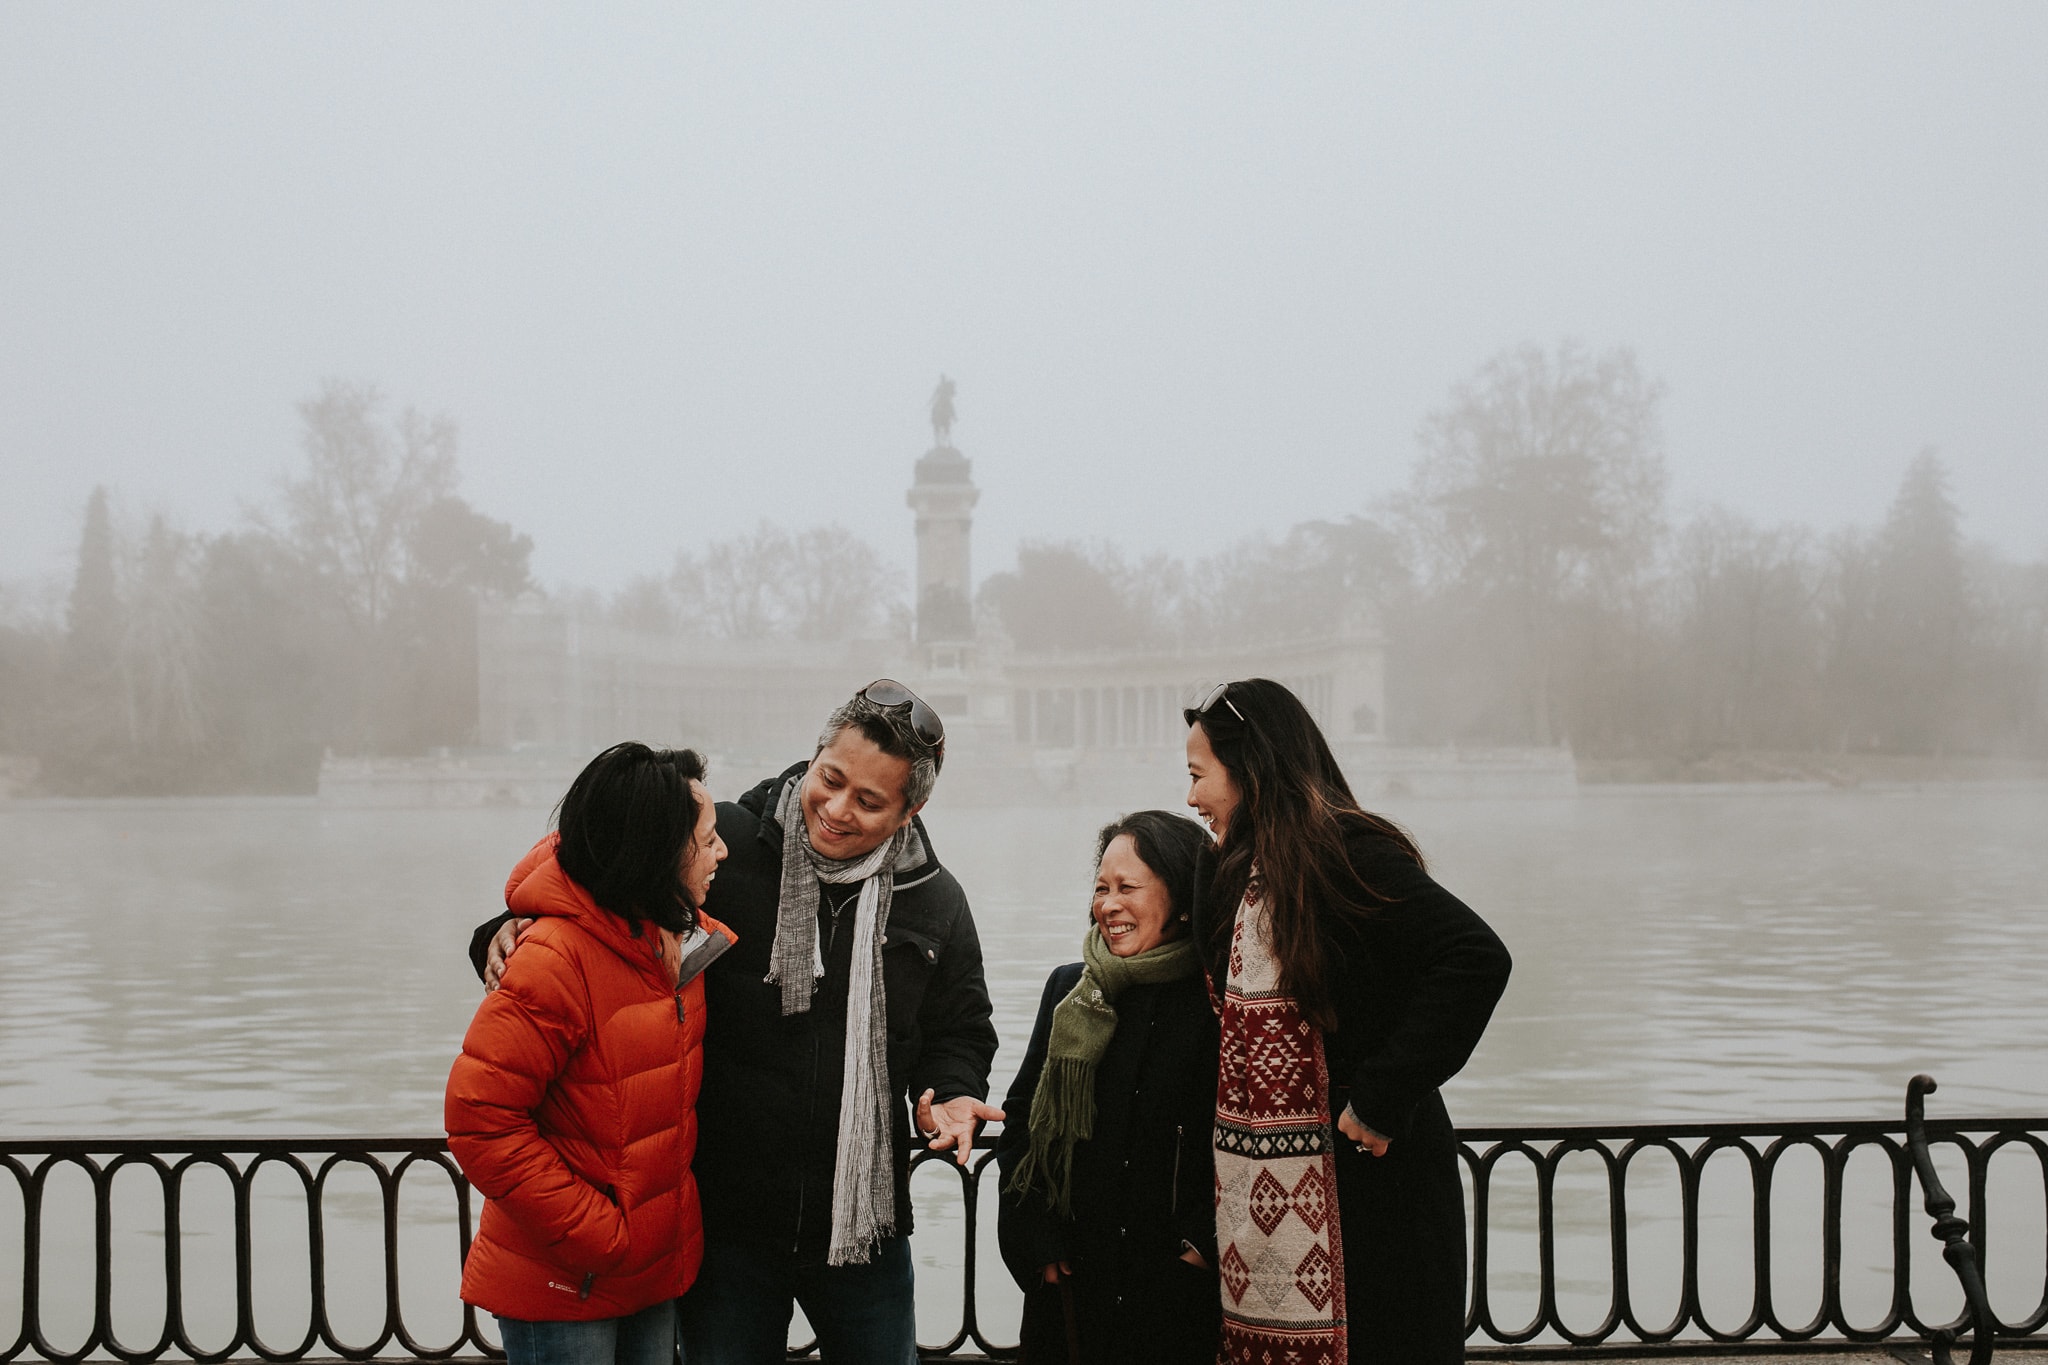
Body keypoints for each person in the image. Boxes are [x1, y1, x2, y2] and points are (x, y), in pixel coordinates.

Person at [475, 680, 1001, 1365]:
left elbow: (961, 1026)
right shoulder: (723, 843)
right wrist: (506, 926)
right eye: (830, 778)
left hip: (863, 1229)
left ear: (912, 808)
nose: (837, 810)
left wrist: (954, 1090)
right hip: (726, 1226)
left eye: (869, 801)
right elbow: (598, 874)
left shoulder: (933, 898)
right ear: (813, 756)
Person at [1184, 679, 1511, 1365]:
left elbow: (1474, 957)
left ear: (1250, 769)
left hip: (1378, 1195)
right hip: (1265, 1216)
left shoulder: (1347, 854)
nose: (1190, 798)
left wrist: (1382, 1096)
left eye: (1198, 775)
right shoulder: (1230, 875)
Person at [446, 742, 736, 1365]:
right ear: (658, 851)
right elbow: (479, 1118)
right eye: (708, 839)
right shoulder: (555, 958)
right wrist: (602, 1236)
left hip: (651, 1268)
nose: (723, 852)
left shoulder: (674, 939)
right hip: (566, 1279)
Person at [995, 810, 1223, 1365]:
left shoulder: (1220, 1000)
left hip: (1176, 1290)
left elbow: (1243, 1134)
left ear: (1185, 899)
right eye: (1101, 888)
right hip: (1074, 1283)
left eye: (1128, 888)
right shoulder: (1071, 989)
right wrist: (1038, 1243)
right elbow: (1023, 1121)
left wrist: (1201, 1248)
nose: (1108, 905)